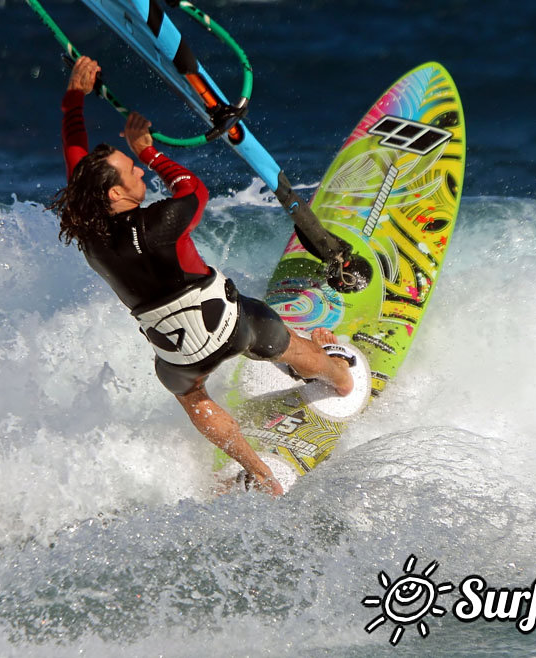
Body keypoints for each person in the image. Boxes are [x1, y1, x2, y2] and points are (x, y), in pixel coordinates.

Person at [50, 56, 353, 496]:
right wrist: (148, 151)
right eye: (131, 172)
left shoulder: (86, 232)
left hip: (178, 354)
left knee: (193, 398)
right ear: (116, 192)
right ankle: (339, 377)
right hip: (233, 327)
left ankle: (260, 473)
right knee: (278, 341)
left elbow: (76, 163)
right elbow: (194, 188)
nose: (137, 172)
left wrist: (74, 100)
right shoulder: (162, 221)